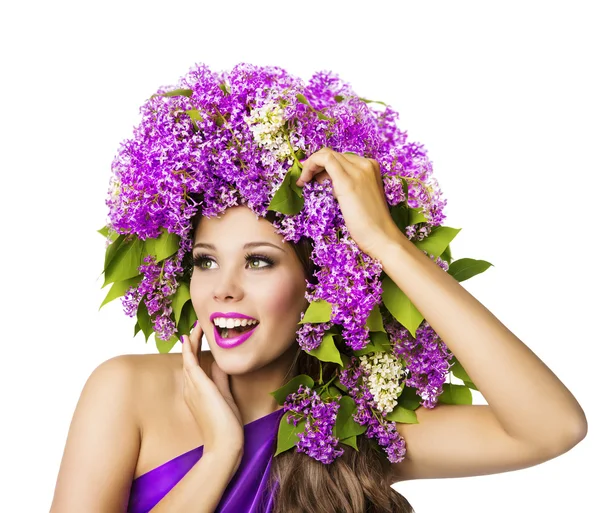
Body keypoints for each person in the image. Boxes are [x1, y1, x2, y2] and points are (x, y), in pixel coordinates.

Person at [49, 63, 588, 513]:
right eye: (206, 262)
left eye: (259, 262)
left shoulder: (343, 432)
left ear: (322, 284)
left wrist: (388, 245)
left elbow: (552, 428)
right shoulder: (125, 390)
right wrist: (220, 454)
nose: (222, 290)